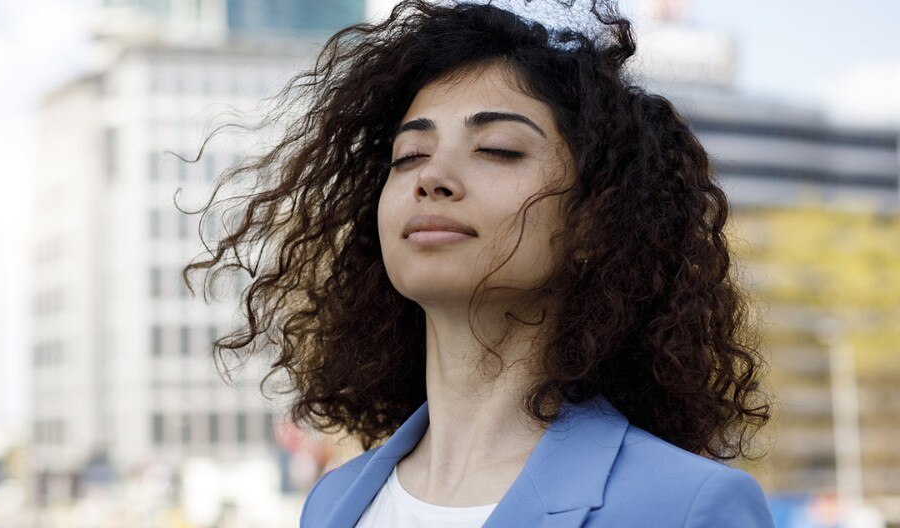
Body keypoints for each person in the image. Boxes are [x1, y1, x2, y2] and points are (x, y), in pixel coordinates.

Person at [181, 1, 774, 526]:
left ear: (597, 219)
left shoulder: (688, 507)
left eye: (497, 149)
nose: (432, 178)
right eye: (409, 155)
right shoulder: (332, 503)